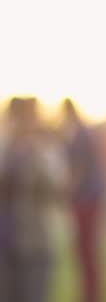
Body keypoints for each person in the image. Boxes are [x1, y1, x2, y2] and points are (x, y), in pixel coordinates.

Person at [0, 97, 67, 302]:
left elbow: (59, 187)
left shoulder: (45, 150)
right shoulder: (5, 148)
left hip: (37, 240)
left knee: (34, 294)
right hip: (7, 241)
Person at [61, 98, 106, 302]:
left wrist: (67, 191)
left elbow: (79, 169)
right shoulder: (81, 131)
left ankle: (90, 295)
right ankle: (89, 293)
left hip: (86, 198)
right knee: (86, 249)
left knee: (86, 249)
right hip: (89, 197)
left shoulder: (79, 134)